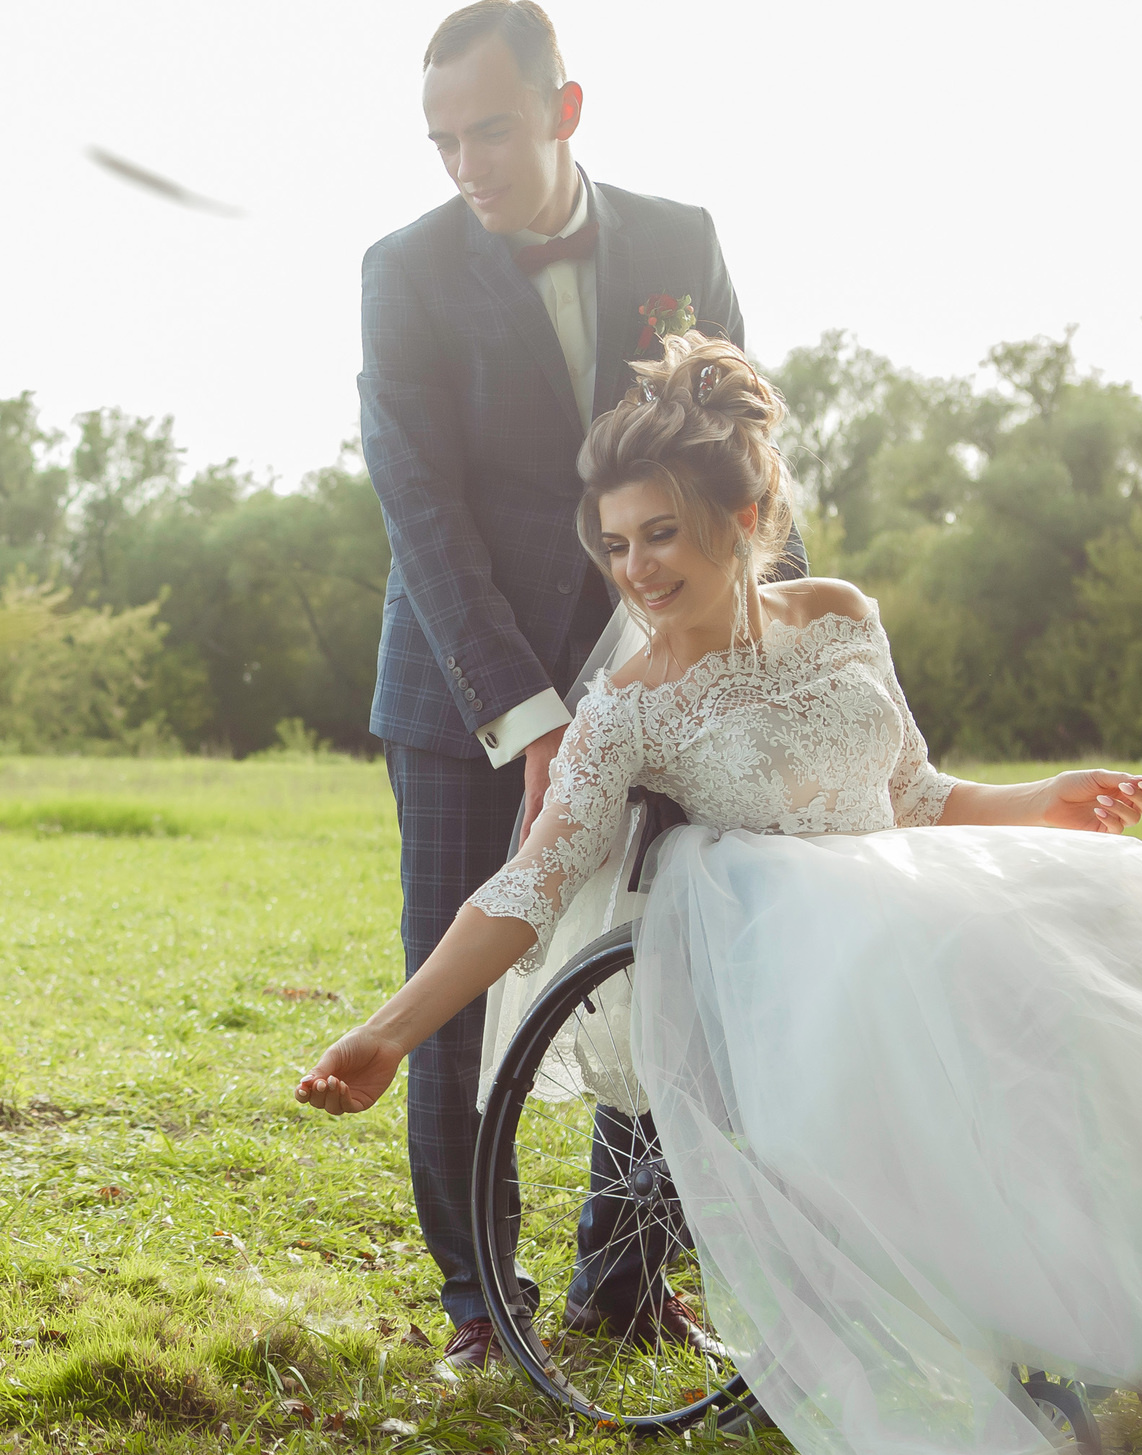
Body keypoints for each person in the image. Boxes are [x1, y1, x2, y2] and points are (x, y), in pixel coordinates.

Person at [300, 331, 1142, 1455]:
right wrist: (388, 1033)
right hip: (791, 955)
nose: (635, 569)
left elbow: (915, 795)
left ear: (744, 515)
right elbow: (528, 888)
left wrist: (1046, 800)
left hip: (915, 896)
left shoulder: (840, 615)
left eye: (660, 534)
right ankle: (1054, 1336)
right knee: (955, 977)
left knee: (1139, 902)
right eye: (615, 544)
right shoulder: (624, 711)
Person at [361, 0, 798, 1372]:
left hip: (667, 662)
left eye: (489, 130)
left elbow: (740, 451)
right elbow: (418, 506)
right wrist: (529, 714)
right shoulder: (403, 270)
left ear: (565, 109)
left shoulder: (680, 240)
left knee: (664, 956)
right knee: (457, 980)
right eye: (440, 141)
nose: (466, 165)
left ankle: (625, 1272)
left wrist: (766, 647)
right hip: (465, 689)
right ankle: (481, 1307)